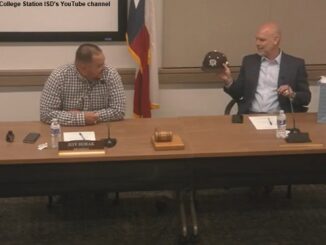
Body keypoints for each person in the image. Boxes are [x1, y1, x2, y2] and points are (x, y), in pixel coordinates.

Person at [219, 22, 311, 114]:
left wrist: (292, 94)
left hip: (280, 117)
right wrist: (228, 81)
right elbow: (238, 94)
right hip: (250, 115)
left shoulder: (295, 65)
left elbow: (306, 98)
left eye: (262, 40)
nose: (257, 43)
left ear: (276, 40)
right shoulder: (249, 61)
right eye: (256, 39)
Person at [40, 43, 126, 126]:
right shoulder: (59, 76)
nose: (104, 68)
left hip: (101, 128)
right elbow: (46, 113)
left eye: (103, 63)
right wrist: (81, 118)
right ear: (83, 68)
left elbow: (119, 111)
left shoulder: (110, 73)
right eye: (99, 66)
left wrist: (84, 116)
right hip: (68, 131)